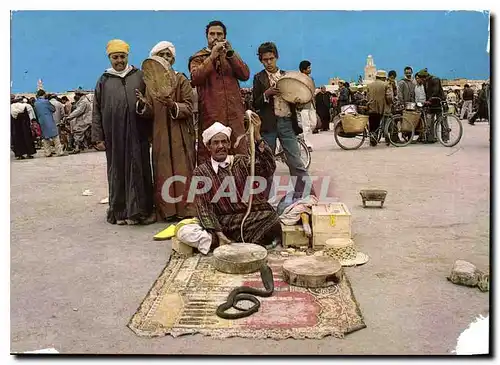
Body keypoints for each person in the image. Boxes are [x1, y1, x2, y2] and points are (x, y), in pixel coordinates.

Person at [192, 115, 281, 249]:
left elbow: (268, 168)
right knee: (193, 231)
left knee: (271, 218)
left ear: (229, 144)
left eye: (224, 142)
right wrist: (219, 234)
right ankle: (236, 240)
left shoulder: (241, 162)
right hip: (225, 222)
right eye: (215, 143)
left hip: (252, 217)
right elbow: (204, 207)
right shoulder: (201, 172)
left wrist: (257, 137)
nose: (220, 146)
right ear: (208, 147)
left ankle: (241, 241)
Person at [92, 39, 154, 225]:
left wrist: (143, 105)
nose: (119, 60)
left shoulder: (139, 76)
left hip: (138, 134)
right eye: (115, 57)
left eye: (122, 56)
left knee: (140, 170)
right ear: (110, 58)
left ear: (128, 56)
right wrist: (98, 137)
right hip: (114, 136)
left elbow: (150, 105)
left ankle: (141, 212)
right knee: (117, 172)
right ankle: (120, 212)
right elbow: (97, 109)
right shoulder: (104, 80)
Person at [136, 40, 196, 221]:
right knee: (163, 171)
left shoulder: (181, 79)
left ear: (173, 59)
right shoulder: (151, 84)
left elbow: (188, 107)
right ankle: (167, 211)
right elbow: (150, 112)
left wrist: (172, 104)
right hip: (160, 133)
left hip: (180, 134)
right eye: (161, 55)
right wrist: (143, 104)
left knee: (182, 169)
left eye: (168, 55)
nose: (165, 58)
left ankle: (186, 210)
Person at [252, 41, 313, 198]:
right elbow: (254, 103)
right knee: (267, 164)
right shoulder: (258, 78)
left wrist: (298, 101)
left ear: (276, 57)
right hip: (268, 126)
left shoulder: (288, 76)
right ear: (261, 60)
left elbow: (296, 98)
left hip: (286, 123)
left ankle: (307, 197)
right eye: (265, 60)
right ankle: (263, 202)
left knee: (295, 162)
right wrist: (267, 93)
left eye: (271, 58)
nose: (269, 62)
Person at [188, 20, 250, 165]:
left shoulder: (231, 56)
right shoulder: (198, 58)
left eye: (219, 34)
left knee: (239, 154)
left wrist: (231, 55)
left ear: (225, 36)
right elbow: (195, 78)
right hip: (211, 115)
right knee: (211, 157)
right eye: (212, 34)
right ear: (207, 37)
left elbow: (245, 74)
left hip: (235, 115)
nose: (215, 37)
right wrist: (212, 57)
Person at [33, 89, 66, 157]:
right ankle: (59, 152)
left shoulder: (35, 103)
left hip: (41, 121)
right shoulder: (46, 102)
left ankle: (47, 152)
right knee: (55, 136)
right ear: (44, 94)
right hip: (49, 121)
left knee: (45, 138)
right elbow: (53, 109)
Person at [416, 68, 445, 143]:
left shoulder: (435, 79)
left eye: (421, 78)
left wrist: (429, 100)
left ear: (424, 77)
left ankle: (445, 138)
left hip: (439, 102)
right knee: (430, 121)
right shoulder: (425, 82)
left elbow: (436, 91)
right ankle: (430, 138)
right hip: (431, 104)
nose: (421, 80)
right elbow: (426, 93)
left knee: (442, 121)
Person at [366, 70, 393, 147]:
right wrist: (391, 102)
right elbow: (389, 97)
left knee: (372, 124)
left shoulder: (369, 85)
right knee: (379, 123)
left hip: (371, 107)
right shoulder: (386, 85)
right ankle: (379, 138)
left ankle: (373, 140)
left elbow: (367, 97)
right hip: (381, 107)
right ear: (383, 77)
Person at [296, 60, 316, 149]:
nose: (310, 69)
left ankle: (300, 136)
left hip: (311, 104)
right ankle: (307, 144)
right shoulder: (298, 79)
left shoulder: (311, 79)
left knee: (313, 123)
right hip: (303, 105)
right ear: (303, 70)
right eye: (308, 68)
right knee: (306, 124)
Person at [65, 89, 93, 154]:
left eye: (76, 95)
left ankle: (77, 148)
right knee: (83, 134)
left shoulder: (83, 101)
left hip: (85, 120)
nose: (75, 96)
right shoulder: (84, 100)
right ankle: (82, 146)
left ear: (79, 95)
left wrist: (69, 117)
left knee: (77, 131)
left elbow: (79, 111)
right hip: (86, 119)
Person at [11, 95, 36, 160]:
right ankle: (29, 153)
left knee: (17, 140)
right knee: (27, 138)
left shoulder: (12, 107)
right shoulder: (25, 106)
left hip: (16, 128)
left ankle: (19, 155)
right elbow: (31, 116)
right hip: (25, 126)